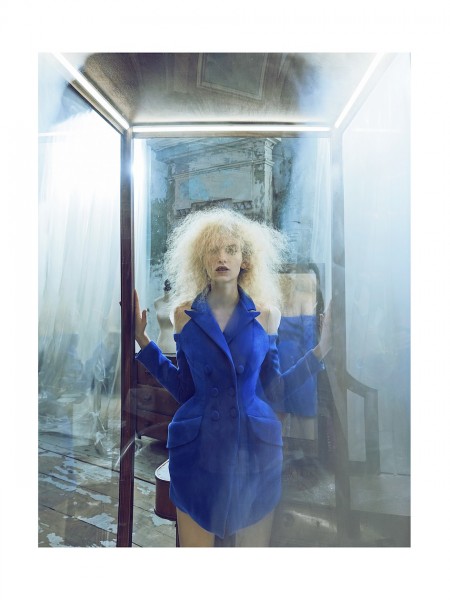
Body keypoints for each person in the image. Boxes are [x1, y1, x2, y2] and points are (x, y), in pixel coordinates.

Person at [134, 207, 331, 547]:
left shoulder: (266, 314)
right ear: (201, 259)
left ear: (245, 259)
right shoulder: (184, 314)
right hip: (198, 448)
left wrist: (320, 351)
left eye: (231, 249)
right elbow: (184, 387)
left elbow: (275, 389)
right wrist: (143, 341)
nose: (221, 257)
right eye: (212, 250)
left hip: (253, 448)